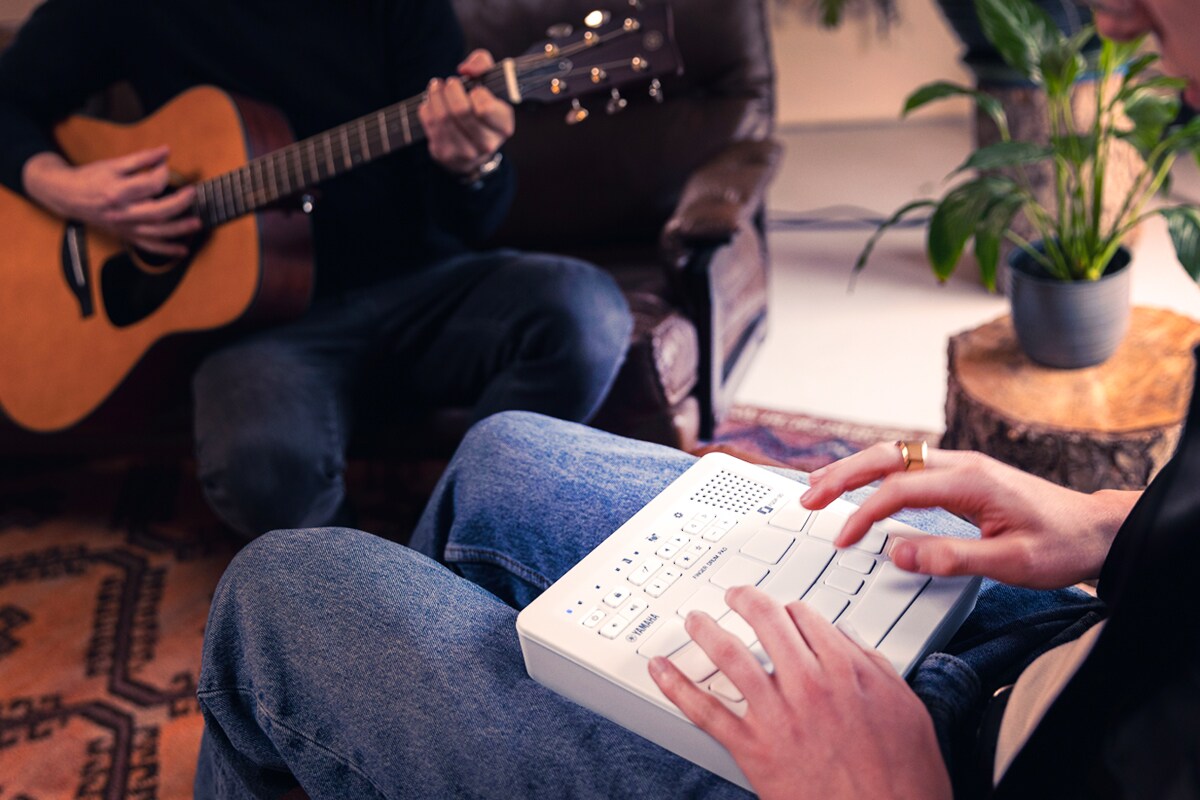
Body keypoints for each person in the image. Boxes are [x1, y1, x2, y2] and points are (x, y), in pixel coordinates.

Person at [194, 0, 1200, 796]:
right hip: (1066, 634)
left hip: (957, 769)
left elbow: (469, 216)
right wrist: (1117, 522)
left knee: (275, 585)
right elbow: (25, 100)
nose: (1111, 18)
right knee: (501, 451)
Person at [0, 0, 632, 537]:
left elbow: (474, 220)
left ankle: (458, 545)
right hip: (261, 327)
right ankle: (363, 597)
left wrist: (474, 166)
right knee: (260, 467)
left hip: (427, 287)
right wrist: (59, 184)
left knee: (586, 314)